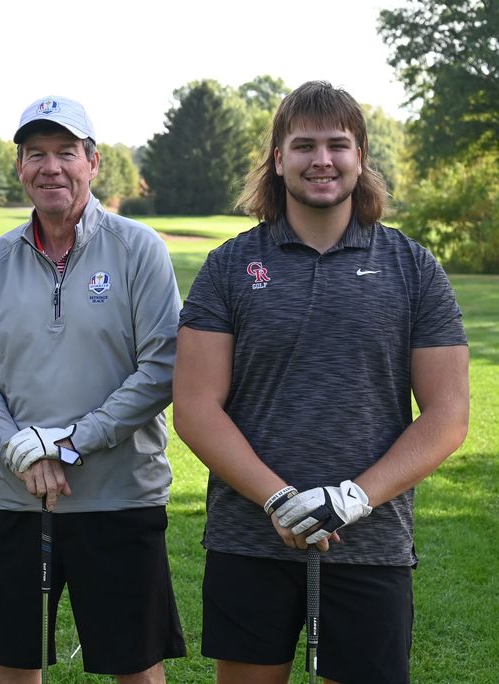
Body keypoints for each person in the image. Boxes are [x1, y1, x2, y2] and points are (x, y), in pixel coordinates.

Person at [173, 81, 470, 684]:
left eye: (337, 145)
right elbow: (196, 406)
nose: (322, 160)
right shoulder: (230, 265)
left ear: (360, 156)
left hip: (372, 540)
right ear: (278, 159)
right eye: (303, 145)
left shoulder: (413, 267)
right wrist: (277, 499)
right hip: (250, 537)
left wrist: (354, 498)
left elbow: (448, 415)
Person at [0, 95, 187, 683]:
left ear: (93, 163)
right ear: (20, 168)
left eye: (66, 153)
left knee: (136, 664)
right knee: (17, 660)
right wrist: (20, 451)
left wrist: (70, 443)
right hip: (20, 497)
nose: (50, 167)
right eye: (36, 154)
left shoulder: (138, 249)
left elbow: (162, 366)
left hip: (121, 497)